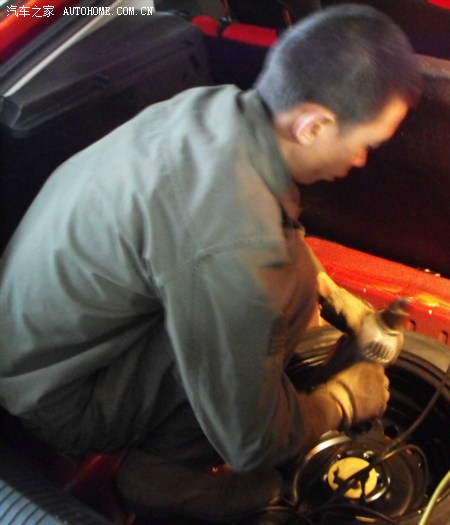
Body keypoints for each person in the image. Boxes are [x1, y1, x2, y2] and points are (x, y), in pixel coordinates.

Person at [0, 4, 422, 523]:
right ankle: (163, 479)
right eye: (365, 145)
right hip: (62, 396)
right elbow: (251, 439)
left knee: (289, 282)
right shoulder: (239, 246)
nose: (360, 161)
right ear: (313, 126)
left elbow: (238, 235)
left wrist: (335, 297)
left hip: (42, 342)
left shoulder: (218, 111)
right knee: (281, 301)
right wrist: (342, 400)